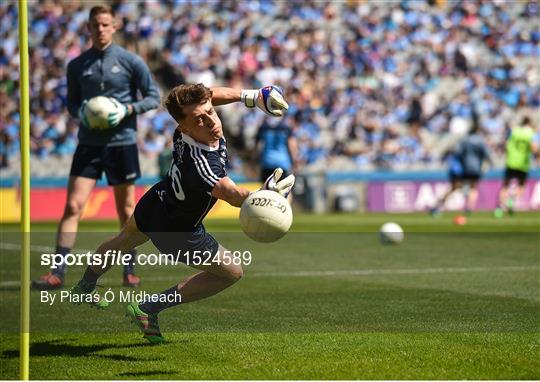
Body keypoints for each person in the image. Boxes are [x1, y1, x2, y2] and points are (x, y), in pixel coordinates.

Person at [69, 83, 294, 344]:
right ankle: (148, 308)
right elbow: (230, 193)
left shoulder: (184, 129)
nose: (211, 120)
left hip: (157, 200)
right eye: (200, 119)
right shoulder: (201, 164)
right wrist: (262, 196)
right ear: (185, 126)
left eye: (211, 112)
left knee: (124, 240)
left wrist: (252, 97)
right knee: (232, 272)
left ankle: (85, 284)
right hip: (179, 231)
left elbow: (210, 96)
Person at [32, 6, 161, 290]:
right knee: (73, 206)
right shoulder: (76, 65)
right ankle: (57, 272)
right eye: (95, 25)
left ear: (113, 26)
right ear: (88, 29)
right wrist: (85, 114)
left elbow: (153, 97)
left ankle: (129, 270)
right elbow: (72, 104)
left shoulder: (130, 61)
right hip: (88, 145)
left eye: (105, 24)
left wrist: (126, 109)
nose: (100, 29)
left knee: (126, 209)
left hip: (122, 144)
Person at [431, 114, 492, 215]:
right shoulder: (480, 141)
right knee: (473, 187)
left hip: (463, 168)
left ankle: (439, 205)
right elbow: (486, 154)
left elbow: (457, 153)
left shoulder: (464, 140)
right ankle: (469, 208)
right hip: (475, 168)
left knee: (455, 187)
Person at [495, 117, 538, 217]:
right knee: (521, 186)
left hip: (511, 161)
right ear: (529, 123)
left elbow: (506, 144)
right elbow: (534, 148)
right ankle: (512, 199)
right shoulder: (531, 133)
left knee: (505, 185)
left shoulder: (514, 131)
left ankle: (499, 208)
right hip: (523, 164)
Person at [255, 112, 297, 188]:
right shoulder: (286, 127)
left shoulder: (264, 127)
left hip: (267, 162)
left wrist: (256, 162)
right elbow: (292, 146)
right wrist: (294, 162)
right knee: (285, 191)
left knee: (266, 191)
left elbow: (258, 147)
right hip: (283, 163)